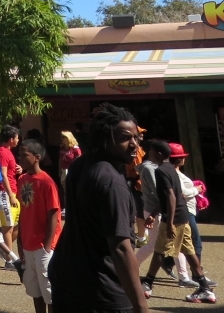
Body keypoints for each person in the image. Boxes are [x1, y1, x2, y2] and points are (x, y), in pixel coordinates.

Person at [49, 103, 149, 313]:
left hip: (69, 281)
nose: (134, 145)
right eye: (124, 138)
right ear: (104, 139)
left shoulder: (80, 165)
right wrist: (141, 306)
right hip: (102, 291)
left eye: (136, 137)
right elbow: (121, 247)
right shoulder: (111, 181)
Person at [141, 139, 215, 303]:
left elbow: (171, 197)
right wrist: (154, 214)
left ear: (159, 154)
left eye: (151, 152)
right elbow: (168, 197)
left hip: (174, 218)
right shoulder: (171, 170)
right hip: (183, 216)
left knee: (160, 250)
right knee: (188, 251)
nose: (149, 154)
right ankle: (205, 289)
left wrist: (169, 223)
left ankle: (147, 283)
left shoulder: (161, 171)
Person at [17, 138, 62, 313]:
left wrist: (48, 245)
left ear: (36, 157)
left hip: (43, 246)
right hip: (28, 244)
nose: (19, 158)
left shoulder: (46, 182)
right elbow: (23, 211)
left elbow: (53, 215)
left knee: (49, 289)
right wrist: (20, 241)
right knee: (34, 289)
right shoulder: (22, 179)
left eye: (24, 155)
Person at [171, 144, 203, 288]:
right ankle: (197, 275)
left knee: (186, 243)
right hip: (186, 211)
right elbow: (182, 194)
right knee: (195, 244)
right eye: (182, 157)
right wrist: (197, 189)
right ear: (180, 159)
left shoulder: (176, 172)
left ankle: (195, 274)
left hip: (188, 210)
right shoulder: (175, 173)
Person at [0, 125, 23, 271]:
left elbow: (10, 171)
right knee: (8, 227)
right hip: (5, 193)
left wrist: (18, 169)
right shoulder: (2, 153)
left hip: (12, 191)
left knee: (16, 225)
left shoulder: (8, 152)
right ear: (11, 139)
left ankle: (4, 249)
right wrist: (10, 194)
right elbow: (3, 174)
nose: (18, 140)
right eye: (17, 137)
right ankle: (9, 260)